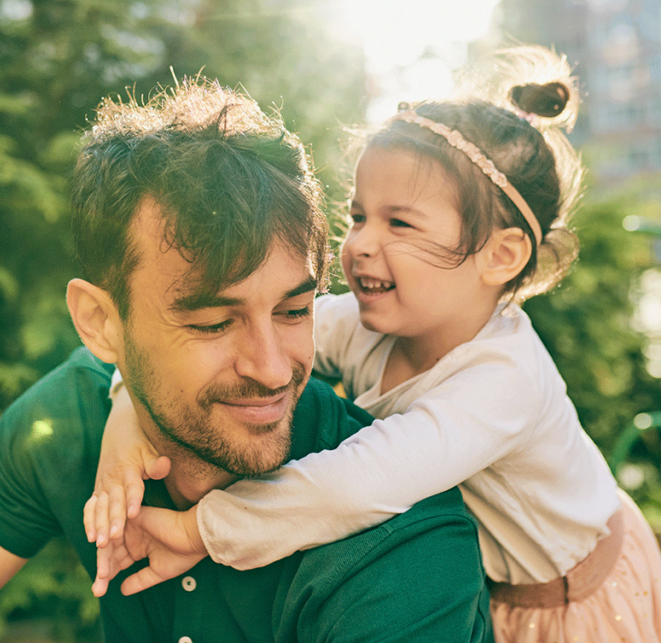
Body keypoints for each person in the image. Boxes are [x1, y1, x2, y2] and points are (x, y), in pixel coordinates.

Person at [0, 78, 492, 643]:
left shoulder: (402, 549)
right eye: (213, 322)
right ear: (101, 323)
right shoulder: (74, 415)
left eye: (293, 311)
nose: (273, 369)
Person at [86, 48, 661, 642]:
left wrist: (199, 530)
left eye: (399, 223)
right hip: (496, 584)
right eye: (359, 216)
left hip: (572, 599)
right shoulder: (373, 325)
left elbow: (353, 487)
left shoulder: (505, 380)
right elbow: (181, 343)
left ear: (501, 255)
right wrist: (127, 412)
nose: (359, 244)